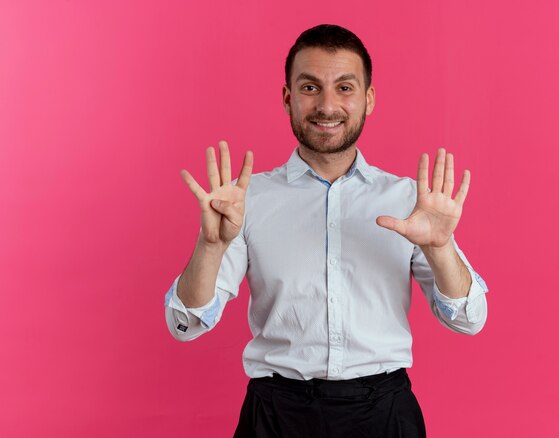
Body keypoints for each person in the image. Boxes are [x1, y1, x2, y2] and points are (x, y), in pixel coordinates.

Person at [164, 24, 488, 437]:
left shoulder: (410, 201)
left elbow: (469, 320)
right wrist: (210, 246)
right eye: (311, 87)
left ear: (368, 99)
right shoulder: (247, 200)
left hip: (385, 416)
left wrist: (441, 249)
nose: (328, 105)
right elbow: (185, 325)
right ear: (288, 98)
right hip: (276, 417)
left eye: (346, 87)